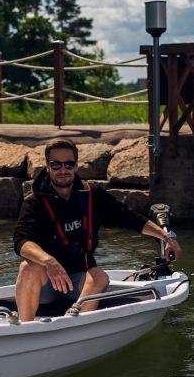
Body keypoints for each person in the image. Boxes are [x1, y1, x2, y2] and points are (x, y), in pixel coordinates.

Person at [12, 138, 182, 322]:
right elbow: (21, 241)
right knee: (27, 267)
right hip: (48, 280)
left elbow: (128, 217)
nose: (63, 170)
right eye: (56, 165)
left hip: (81, 280)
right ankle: (25, 327)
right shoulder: (34, 202)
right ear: (47, 166)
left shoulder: (93, 195)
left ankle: (77, 324)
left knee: (100, 276)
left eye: (69, 164)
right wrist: (48, 261)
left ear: (76, 166)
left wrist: (166, 237)